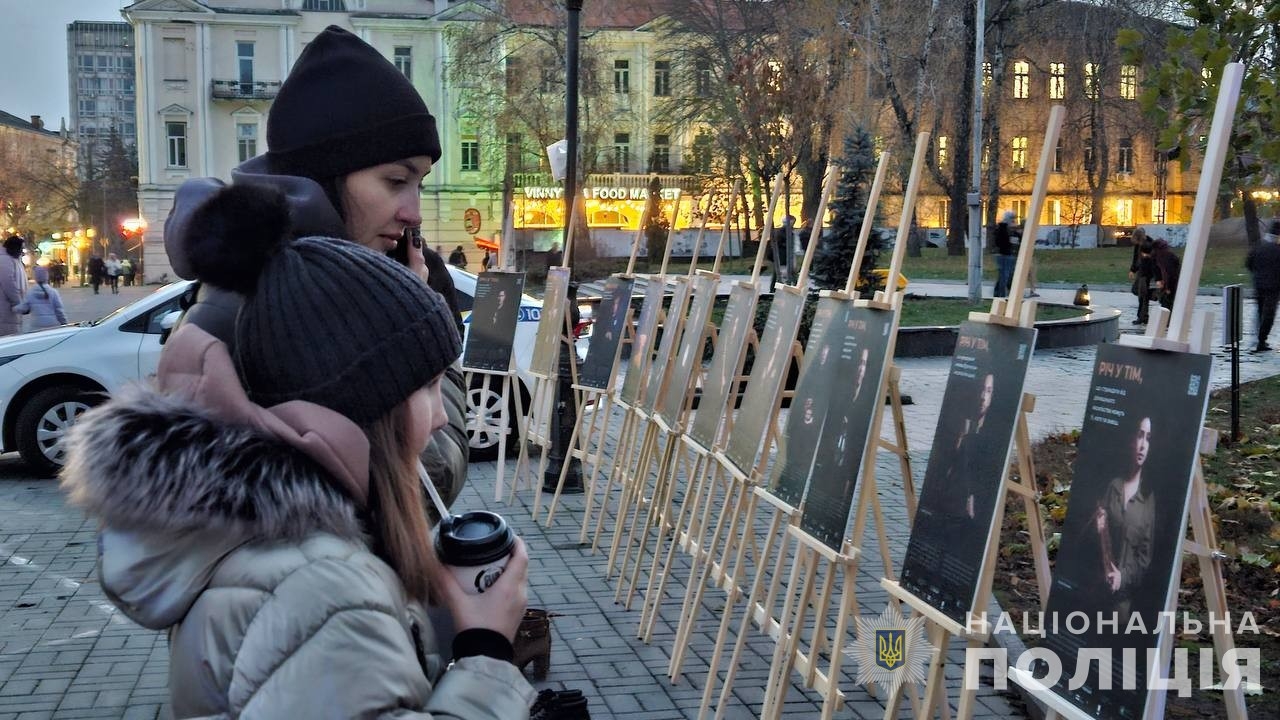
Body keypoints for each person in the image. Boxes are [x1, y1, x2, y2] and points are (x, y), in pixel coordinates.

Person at [61, 197, 535, 718]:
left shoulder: (292, 555)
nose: (442, 416)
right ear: (363, 404)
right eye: (426, 387)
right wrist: (486, 651)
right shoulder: (323, 588)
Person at [162, 25, 471, 510]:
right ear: (322, 177)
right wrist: (424, 346)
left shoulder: (274, 276)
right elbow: (418, 489)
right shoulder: (268, 306)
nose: (414, 211)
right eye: (395, 180)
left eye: (421, 184)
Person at [1091, 416, 1155, 621]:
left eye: (1148, 438)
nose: (1143, 445)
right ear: (1131, 439)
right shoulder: (1113, 487)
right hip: (1095, 593)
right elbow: (1094, 541)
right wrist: (1098, 529)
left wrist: (1123, 576)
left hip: (1122, 605)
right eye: (1139, 435)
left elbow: (1144, 560)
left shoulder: (1148, 501)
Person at [1245, 220, 1280, 352]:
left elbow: (1248, 263)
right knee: (1269, 314)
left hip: (1258, 284)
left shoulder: (1258, 246)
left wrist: (1257, 274)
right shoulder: (1278, 250)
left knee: (1260, 311)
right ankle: (1262, 339)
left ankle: (1258, 338)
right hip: (1274, 287)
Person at [14, 265, 67, 330]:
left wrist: (13, 308)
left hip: (36, 326)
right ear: (47, 277)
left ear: (36, 277)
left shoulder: (31, 292)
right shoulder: (53, 292)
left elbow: (23, 308)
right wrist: (64, 323)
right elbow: (59, 310)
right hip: (52, 325)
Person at [1142, 238, 1180, 312]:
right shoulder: (1165, 255)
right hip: (1169, 283)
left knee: (1167, 303)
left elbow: (1169, 272)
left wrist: (1167, 287)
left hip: (1169, 284)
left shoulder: (1162, 257)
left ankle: (1167, 321)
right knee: (1167, 302)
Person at [1127, 228, 1154, 326]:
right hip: (1141, 272)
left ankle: (1142, 317)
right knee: (1136, 291)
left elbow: (1153, 257)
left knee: (1142, 295)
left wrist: (1147, 256)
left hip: (1146, 273)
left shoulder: (1149, 244)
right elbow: (1136, 257)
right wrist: (1132, 270)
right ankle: (1153, 295)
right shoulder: (1138, 245)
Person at [0, 236, 26, 336]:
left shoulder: (12, 259)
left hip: (8, 308)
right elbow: (8, 282)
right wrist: (17, 302)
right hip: (5, 309)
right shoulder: (4, 260)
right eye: (21, 248)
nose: (22, 251)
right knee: (8, 340)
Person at [992, 210, 1016, 298]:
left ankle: (998, 292)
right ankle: (1001, 293)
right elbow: (1000, 242)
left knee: (1003, 274)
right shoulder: (1003, 229)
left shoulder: (1004, 228)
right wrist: (1009, 242)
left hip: (1005, 253)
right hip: (1003, 254)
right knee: (1004, 275)